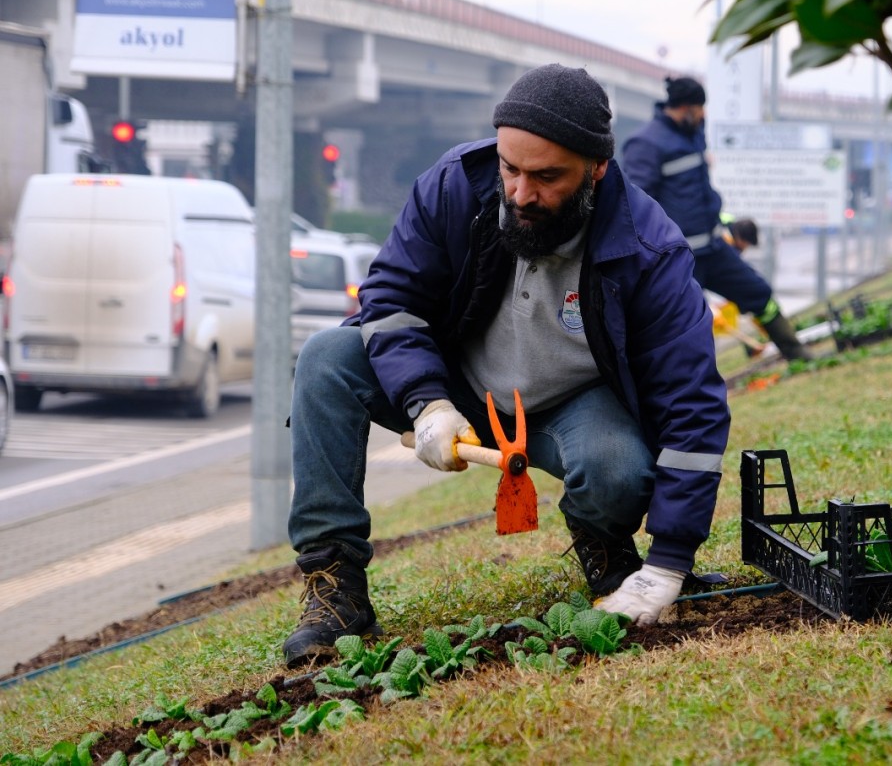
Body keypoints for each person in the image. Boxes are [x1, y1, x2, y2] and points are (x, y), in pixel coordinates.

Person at [282, 64, 731, 667]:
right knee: (326, 359)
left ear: (597, 168)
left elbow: (693, 406)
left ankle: (605, 544)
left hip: (569, 405)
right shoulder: (454, 187)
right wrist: (427, 401)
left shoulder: (651, 252)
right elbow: (389, 300)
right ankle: (334, 584)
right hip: (455, 386)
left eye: (547, 177)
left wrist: (670, 562)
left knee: (617, 473)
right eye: (511, 169)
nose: (521, 194)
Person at [621, 77, 810, 361]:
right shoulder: (645, 144)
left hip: (713, 248)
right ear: (685, 108)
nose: (704, 114)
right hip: (679, 258)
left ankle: (798, 355)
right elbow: (636, 206)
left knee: (759, 293)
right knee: (687, 326)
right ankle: (692, 390)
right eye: (700, 108)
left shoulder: (694, 133)